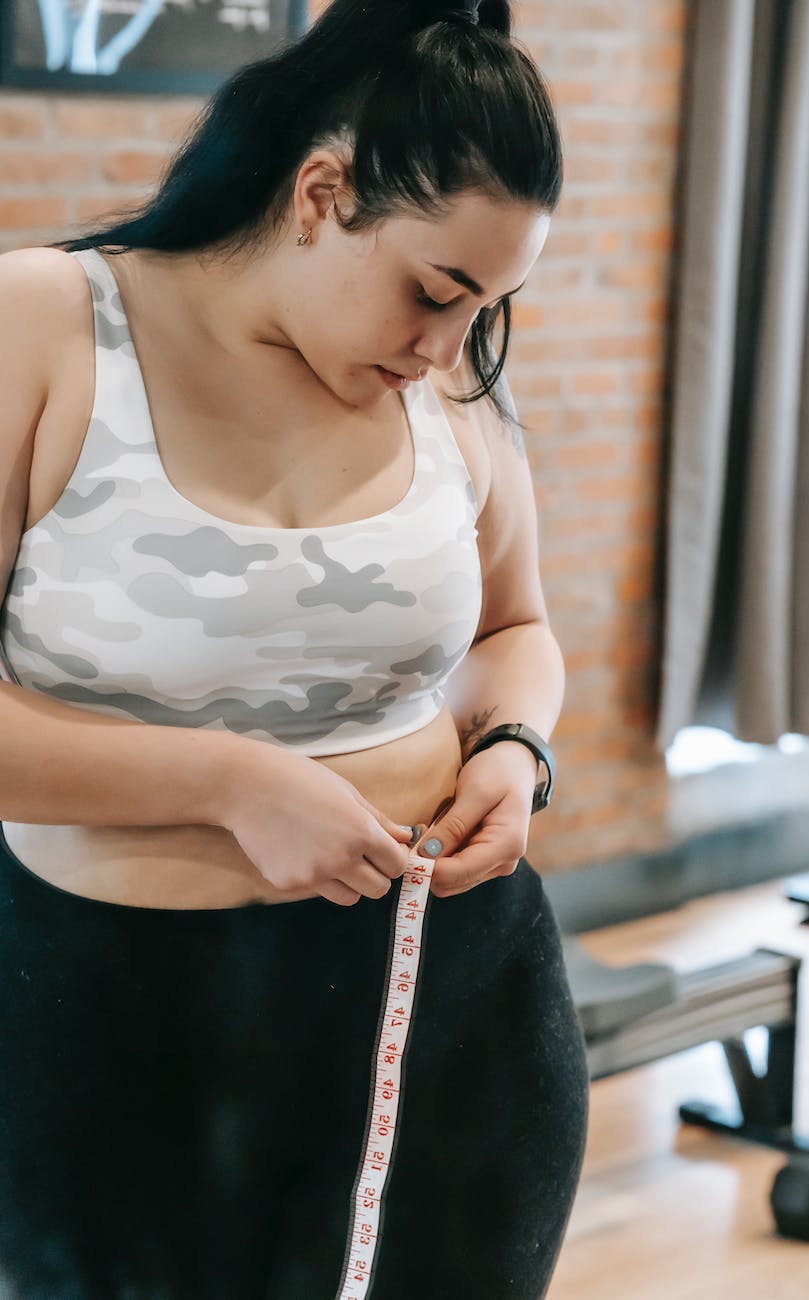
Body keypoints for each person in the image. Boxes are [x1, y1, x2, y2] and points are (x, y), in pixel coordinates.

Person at [0, 0, 588, 1295]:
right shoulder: (44, 324)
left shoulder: (449, 383)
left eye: (487, 307)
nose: (448, 347)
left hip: (450, 998)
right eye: (434, 292)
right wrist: (228, 784)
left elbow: (515, 627)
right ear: (323, 193)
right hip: (111, 1015)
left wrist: (514, 748)